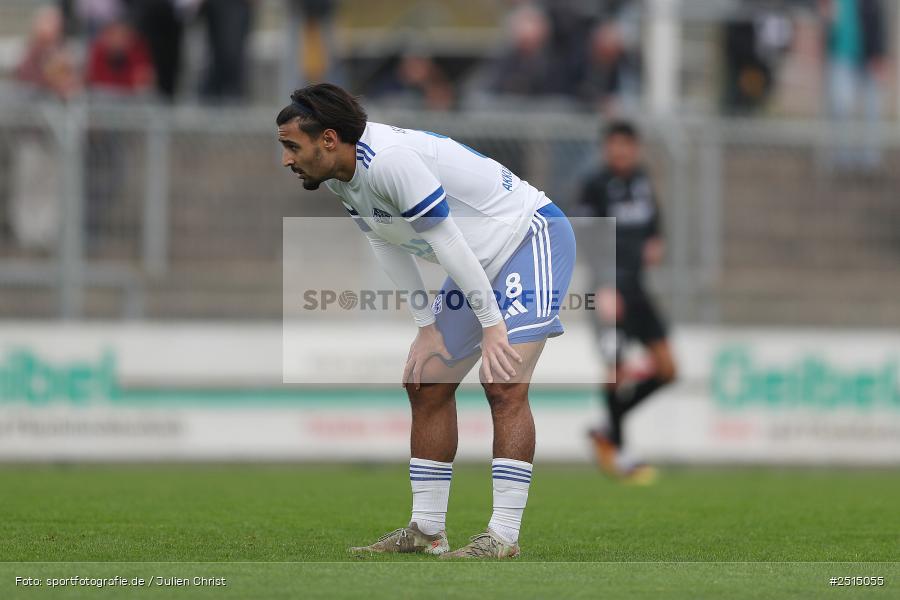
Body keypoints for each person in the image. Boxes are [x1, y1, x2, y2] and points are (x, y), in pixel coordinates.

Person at [276, 83, 576, 559]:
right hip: (475, 263)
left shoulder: (389, 161)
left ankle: (502, 537)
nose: (288, 159)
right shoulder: (340, 177)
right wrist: (426, 328)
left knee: (503, 381)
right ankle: (428, 531)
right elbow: (384, 242)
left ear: (328, 139)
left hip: (529, 236)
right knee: (427, 380)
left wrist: (493, 325)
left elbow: (448, 241)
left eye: (292, 146)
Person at [578, 121, 676, 484]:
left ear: (635, 148)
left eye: (626, 145)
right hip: (609, 291)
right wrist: (604, 286)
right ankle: (620, 450)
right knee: (616, 371)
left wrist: (656, 239)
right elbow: (588, 240)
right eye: (613, 145)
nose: (620, 151)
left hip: (637, 290)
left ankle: (607, 429)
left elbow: (654, 219)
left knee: (667, 369)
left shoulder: (642, 179)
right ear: (606, 148)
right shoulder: (594, 186)